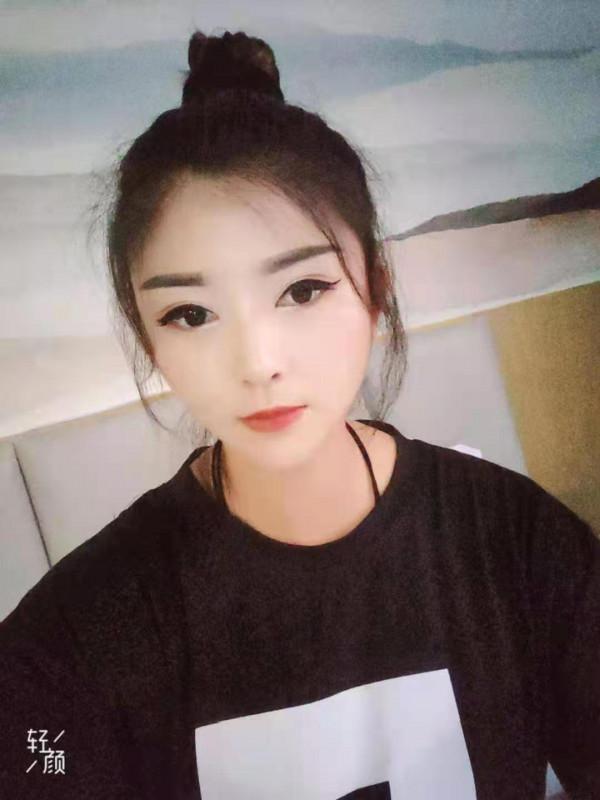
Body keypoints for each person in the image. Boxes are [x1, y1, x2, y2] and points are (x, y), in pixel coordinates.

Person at [1, 29, 599, 800]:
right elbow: (37, 753)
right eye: (190, 313)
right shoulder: (79, 638)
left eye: (303, 290)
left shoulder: (519, 549)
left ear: (375, 289)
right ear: (148, 336)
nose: (258, 362)